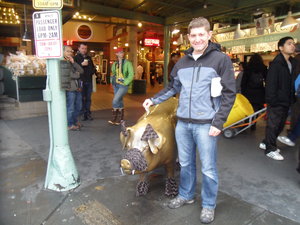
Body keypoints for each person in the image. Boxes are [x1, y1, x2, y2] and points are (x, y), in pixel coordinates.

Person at [143, 17, 236, 224]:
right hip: (183, 123)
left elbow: (230, 93)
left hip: (206, 124)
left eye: (201, 34)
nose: (197, 39)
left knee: (208, 167)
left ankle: (209, 204)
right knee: (185, 164)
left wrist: (218, 122)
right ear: (188, 37)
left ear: (209, 35)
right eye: (193, 35)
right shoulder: (182, 62)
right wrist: (153, 99)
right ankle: (186, 195)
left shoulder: (221, 60)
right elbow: (172, 87)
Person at [259, 36, 297, 160]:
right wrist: (272, 100)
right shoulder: (276, 64)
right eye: (289, 43)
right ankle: (270, 149)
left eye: (293, 43)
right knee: (274, 125)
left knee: (280, 125)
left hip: (286, 100)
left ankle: (266, 143)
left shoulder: (291, 62)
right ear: (281, 48)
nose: (292, 45)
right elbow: (271, 84)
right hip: (277, 101)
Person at [108, 47, 134, 125]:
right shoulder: (115, 64)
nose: (121, 53)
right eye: (119, 52)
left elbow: (131, 74)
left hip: (123, 85)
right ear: (116, 54)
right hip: (116, 84)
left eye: (122, 52)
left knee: (115, 100)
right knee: (119, 100)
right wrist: (112, 81)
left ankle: (114, 118)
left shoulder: (127, 63)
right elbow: (113, 73)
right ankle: (120, 120)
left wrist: (125, 82)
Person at [74, 43, 96, 121]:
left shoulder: (89, 57)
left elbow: (93, 68)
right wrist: (81, 65)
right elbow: (74, 69)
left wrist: (92, 71)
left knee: (88, 98)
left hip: (88, 80)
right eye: (82, 48)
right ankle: (83, 113)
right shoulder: (76, 58)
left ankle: (88, 113)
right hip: (81, 81)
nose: (84, 50)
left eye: (85, 48)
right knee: (82, 98)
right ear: (79, 48)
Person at [64, 46, 84, 131]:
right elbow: (69, 75)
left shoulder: (71, 61)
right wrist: (77, 74)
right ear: (63, 52)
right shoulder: (63, 62)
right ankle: (70, 124)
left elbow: (81, 70)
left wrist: (74, 62)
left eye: (71, 51)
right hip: (70, 88)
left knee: (78, 107)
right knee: (70, 107)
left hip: (77, 87)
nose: (69, 53)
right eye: (67, 51)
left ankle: (74, 122)